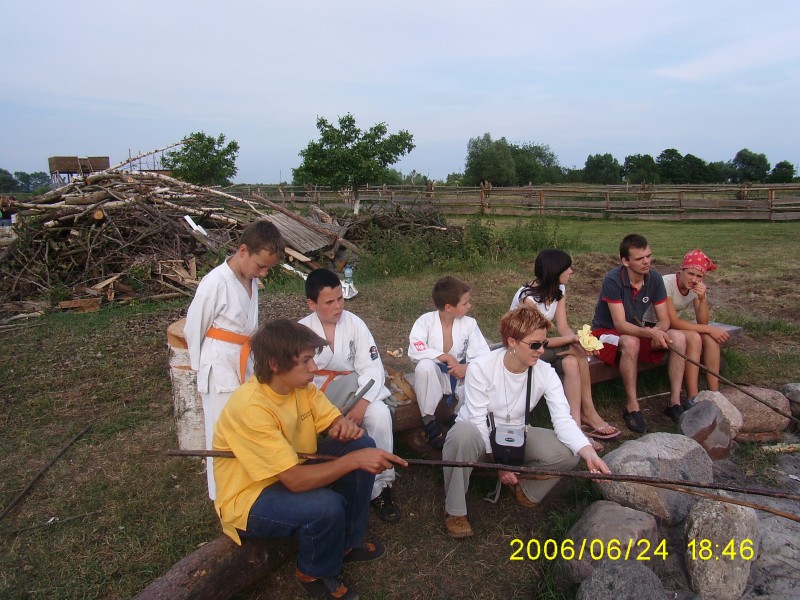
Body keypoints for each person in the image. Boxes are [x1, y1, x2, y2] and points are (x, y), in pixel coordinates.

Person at [213, 319, 407, 600]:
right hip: (251, 496)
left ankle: (347, 542)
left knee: (361, 443)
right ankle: (313, 571)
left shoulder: (300, 386)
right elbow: (294, 481)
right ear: (275, 365)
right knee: (327, 505)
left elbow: (329, 418)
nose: (314, 368)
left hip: (290, 469)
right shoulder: (250, 408)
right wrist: (354, 461)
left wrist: (341, 425)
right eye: (305, 361)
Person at [441, 307, 610, 538]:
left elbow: (563, 419)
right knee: (462, 434)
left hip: (517, 432)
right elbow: (478, 419)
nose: (541, 350)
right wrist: (500, 464)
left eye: (544, 344)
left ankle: (523, 488)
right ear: (512, 342)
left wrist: (588, 452)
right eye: (534, 344)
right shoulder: (481, 367)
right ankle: (455, 509)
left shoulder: (545, 372)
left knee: (569, 453)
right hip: (479, 436)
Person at [184, 220, 284, 499]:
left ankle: (247, 487)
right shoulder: (215, 282)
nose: (263, 273)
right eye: (260, 266)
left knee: (246, 423)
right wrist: (200, 369)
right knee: (221, 431)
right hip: (220, 366)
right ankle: (222, 496)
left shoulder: (250, 280)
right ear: (243, 251)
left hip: (244, 359)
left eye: (267, 268)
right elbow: (193, 327)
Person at [299, 268, 401, 523]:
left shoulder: (355, 324)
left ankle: (380, 486)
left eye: (340, 299)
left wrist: (362, 404)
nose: (337, 306)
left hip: (356, 391)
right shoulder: (300, 331)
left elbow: (372, 367)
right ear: (311, 304)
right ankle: (327, 477)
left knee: (379, 414)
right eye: (329, 302)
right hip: (317, 397)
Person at [511, 249, 619, 451]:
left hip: (541, 347)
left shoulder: (558, 289)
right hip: (524, 351)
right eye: (567, 268)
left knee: (572, 359)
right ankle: (587, 415)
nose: (571, 271)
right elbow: (536, 342)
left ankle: (576, 425)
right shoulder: (527, 299)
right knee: (575, 353)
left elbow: (563, 327)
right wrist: (572, 340)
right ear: (554, 271)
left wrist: (579, 343)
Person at [591, 234, 688, 434]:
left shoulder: (654, 278)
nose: (646, 262)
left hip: (636, 330)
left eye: (648, 256)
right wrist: (650, 333)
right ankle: (632, 406)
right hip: (605, 333)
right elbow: (620, 325)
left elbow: (664, 320)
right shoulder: (613, 280)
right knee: (631, 342)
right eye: (640, 258)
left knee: (678, 337)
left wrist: (658, 332)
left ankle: (674, 402)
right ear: (625, 261)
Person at [408, 276, 491, 449]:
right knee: (424, 367)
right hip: (436, 375)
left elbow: (483, 356)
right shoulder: (425, 321)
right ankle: (429, 421)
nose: (469, 306)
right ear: (449, 307)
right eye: (465, 303)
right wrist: (444, 357)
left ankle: (458, 419)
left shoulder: (470, 324)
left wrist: (466, 368)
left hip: (459, 375)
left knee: (478, 377)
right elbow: (416, 349)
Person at [642, 249, 729, 405]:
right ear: (681, 270)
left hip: (671, 326)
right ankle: (692, 395)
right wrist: (710, 329)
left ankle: (715, 394)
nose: (694, 279)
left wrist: (702, 299)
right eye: (690, 274)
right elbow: (673, 321)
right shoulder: (666, 283)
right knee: (695, 337)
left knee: (711, 340)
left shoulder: (697, 288)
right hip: (653, 325)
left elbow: (702, 322)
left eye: (699, 276)